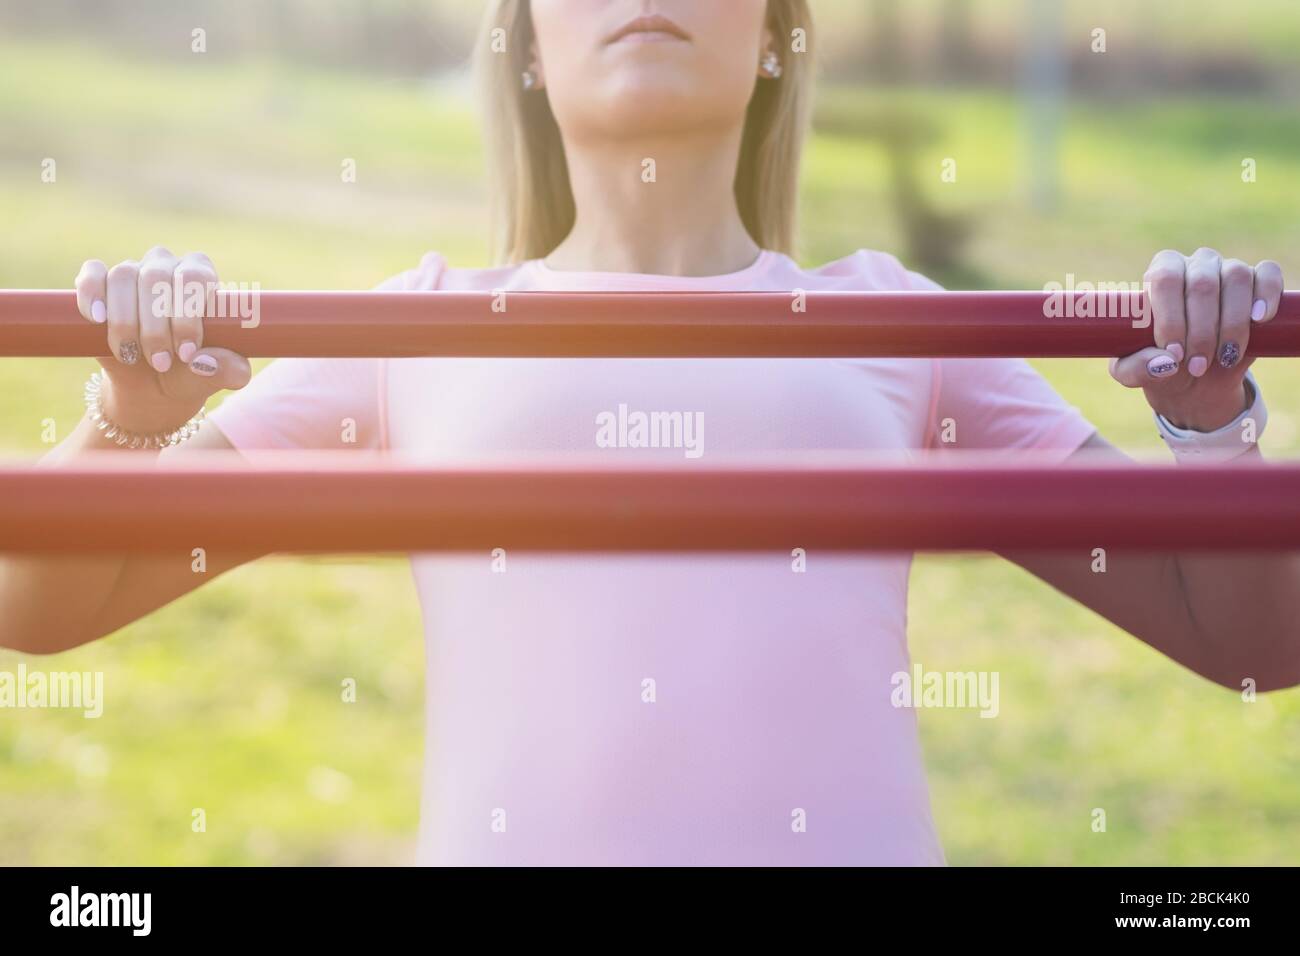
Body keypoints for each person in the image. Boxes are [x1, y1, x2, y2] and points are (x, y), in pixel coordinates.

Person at [2, 1, 1295, 865]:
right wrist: (127, 421)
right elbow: (44, 601)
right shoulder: (414, 332)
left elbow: (1245, 644)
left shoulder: (898, 323)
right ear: (523, 46)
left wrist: (1216, 425)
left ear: (780, 40)